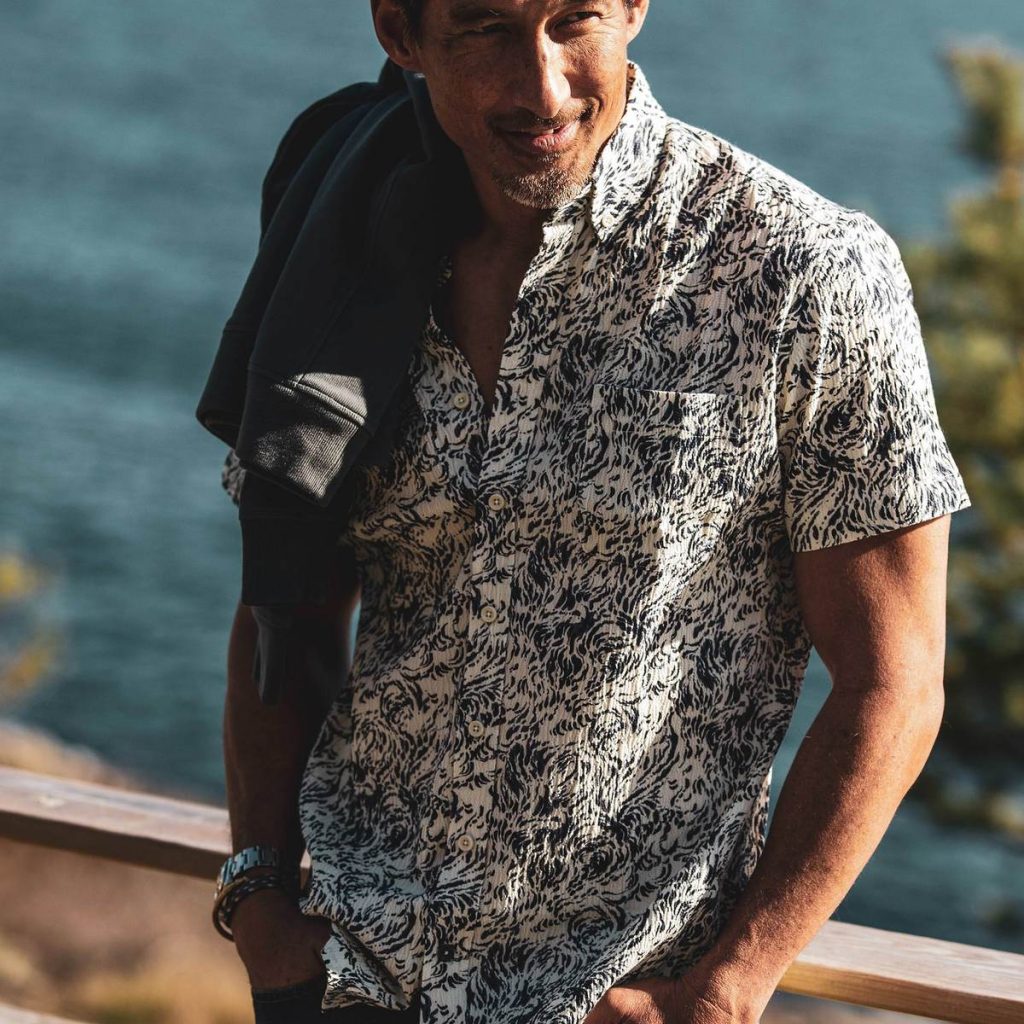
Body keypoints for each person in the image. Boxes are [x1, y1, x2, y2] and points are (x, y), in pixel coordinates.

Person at [214, 2, 973, 1022]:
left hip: (607, 998)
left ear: (635, 9)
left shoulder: (802, 273)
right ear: (400, 33)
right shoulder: (344, 245)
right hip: (343, 983)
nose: (543, 85)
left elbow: (895, 683)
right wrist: (261, 895)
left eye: (575, 19)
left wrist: (726, 990)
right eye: (484, 29)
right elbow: (285, 600)